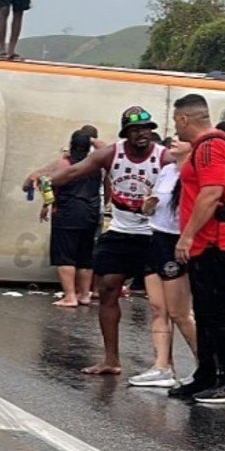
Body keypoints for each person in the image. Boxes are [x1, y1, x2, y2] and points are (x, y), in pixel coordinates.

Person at [48, 106, 169, 376]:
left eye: (147, 129)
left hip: (154, 235)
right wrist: (46, 181)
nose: (143, 134)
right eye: (136, 129)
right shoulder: (112, 153)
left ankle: (164, 365)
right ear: (126, 133)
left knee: (160, 304)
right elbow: (73, 172)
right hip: (121, 233)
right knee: (108, 290)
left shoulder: (164, 157)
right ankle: (111, 360)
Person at [169, 94, 225, 404]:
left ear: (185, 119)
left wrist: (186, 237)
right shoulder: (209, 146)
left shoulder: (211, 147)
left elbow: (211, 194)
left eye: (176, 121)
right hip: (208, 243)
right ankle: (206, 375)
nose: (175, 128)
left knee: (218, 316)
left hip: (217, 242)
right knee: (205, 313)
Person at [128, 137, 197, 388]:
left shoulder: (193, 174)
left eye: (182, 140)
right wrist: (147, 206)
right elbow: (153, 207)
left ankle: (209, 365)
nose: (174, 141)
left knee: (180, 313)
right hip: (155, 238)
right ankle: (162, 367)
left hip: (175, 243)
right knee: (158, 309)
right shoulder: (167, 171)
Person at [35, 131, 99, 307]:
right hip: (91, 213)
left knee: (65, 256)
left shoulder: (65, 163)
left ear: (71, 144)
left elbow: (49, 184)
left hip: (67, 213)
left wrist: (46, 204)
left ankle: (70, 296)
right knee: (85, 256)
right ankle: (85, 295)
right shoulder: (96, 165)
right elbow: (107, 188)